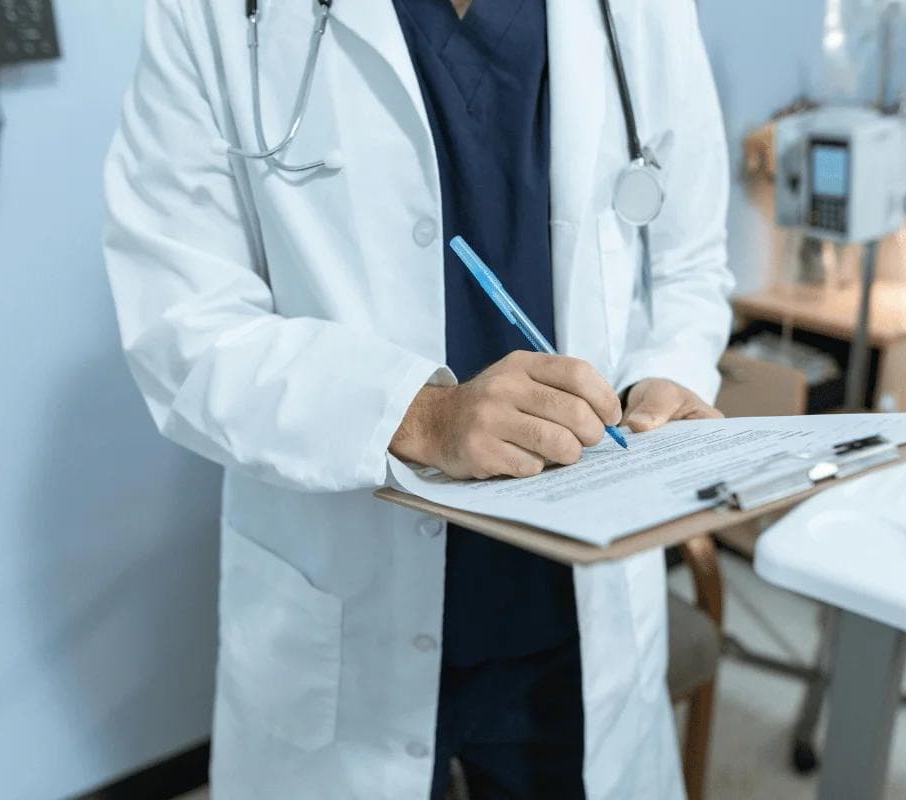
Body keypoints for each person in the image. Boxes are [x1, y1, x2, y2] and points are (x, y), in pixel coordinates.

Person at [103, 0, 733, 797]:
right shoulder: (215, 14)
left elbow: (689, 265)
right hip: (347, 590)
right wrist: (421, 415)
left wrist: (664, 378)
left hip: (572, 608)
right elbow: (181, 325)